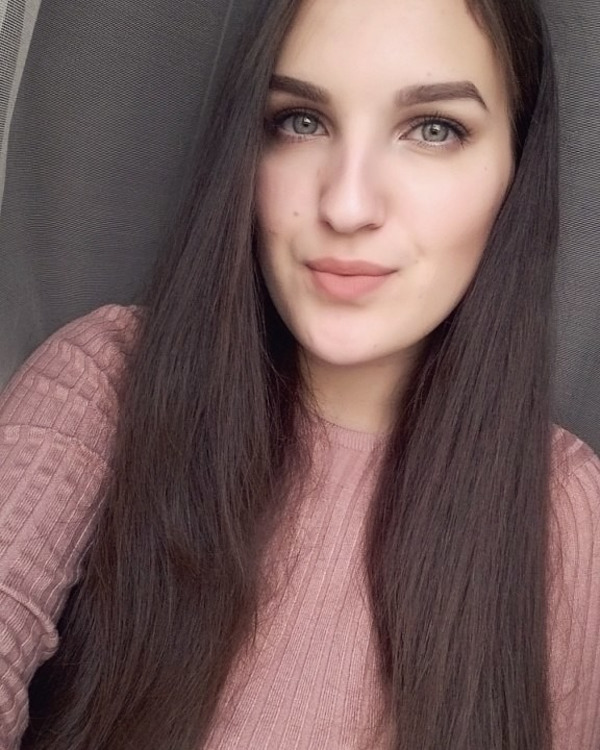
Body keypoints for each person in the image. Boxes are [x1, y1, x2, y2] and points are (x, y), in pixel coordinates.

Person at [1, 0, 599, 747]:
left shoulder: (567, 517)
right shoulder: (104, 382)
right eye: (302, 121)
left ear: (515, 172)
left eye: (433, 129)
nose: (346, 205)